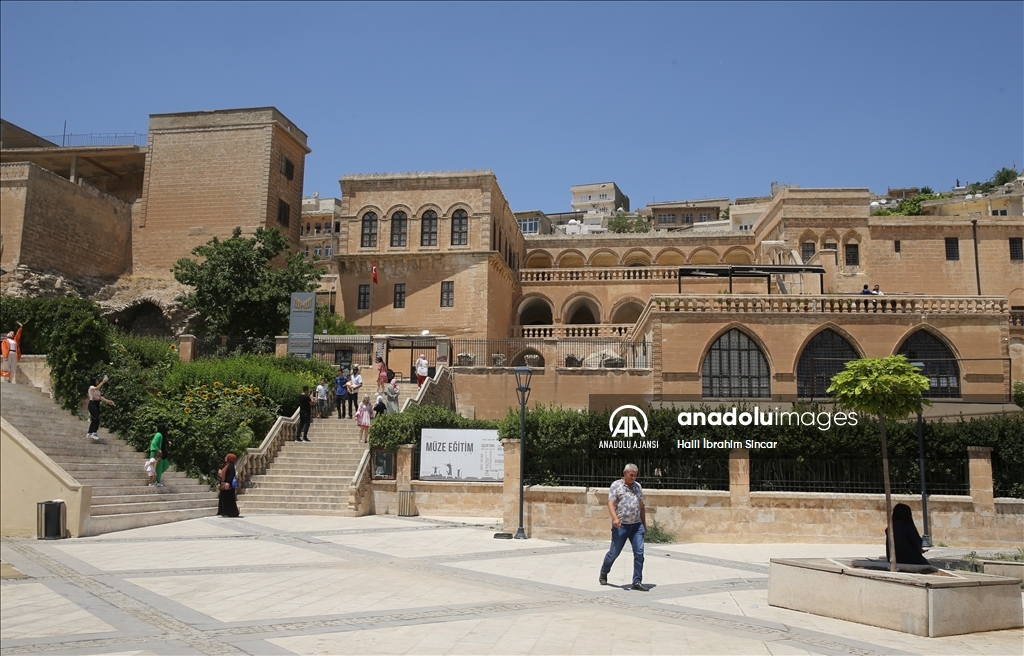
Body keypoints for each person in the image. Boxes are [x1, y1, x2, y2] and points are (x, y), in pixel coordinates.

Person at [599, 463, 648, 591]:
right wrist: (615, 518)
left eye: (635, 476)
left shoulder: (638, 487)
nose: (633, 478)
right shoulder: (616, 485)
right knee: (614, 553)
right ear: (624, 473)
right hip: (621, 526)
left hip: (636, 526)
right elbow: (611, 503)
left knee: (639, 553)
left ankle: (637, 581)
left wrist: (644, 524)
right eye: (631, 475)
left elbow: (642, 506)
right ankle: (604, 571)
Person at [86, 375, 114, 440]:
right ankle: (94, 432)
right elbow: (96, 388)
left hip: (97, 403)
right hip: (92, 403)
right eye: (97, 381)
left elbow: (100, 397)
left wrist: (108, 401)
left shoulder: (98, 391)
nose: (97, 382)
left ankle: (89, 432)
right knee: (97, 418)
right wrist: (103, 382)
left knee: (94, 419)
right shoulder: (91, 387)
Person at [217, 453, 240, 517]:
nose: (225, 457)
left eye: (227, 457)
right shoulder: (227, 465)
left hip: (227, 486)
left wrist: (228, 483)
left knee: (228, 499)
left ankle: (229, 512)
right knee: (225, 499)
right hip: (225, 485)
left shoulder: (230, 466)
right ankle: (225, 512)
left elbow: (231, 475)